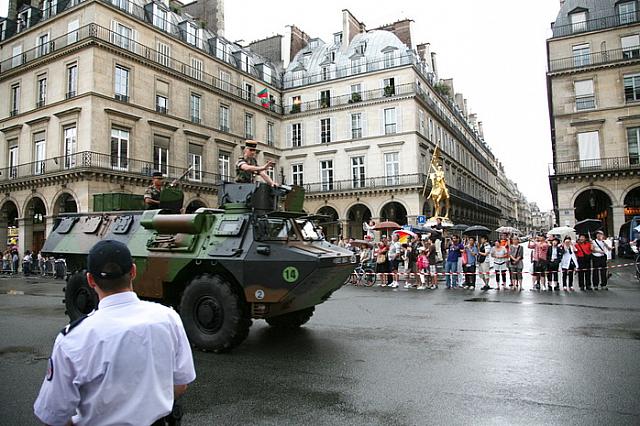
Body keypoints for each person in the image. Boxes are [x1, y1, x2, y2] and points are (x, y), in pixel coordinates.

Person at [33, 240, 196, 426]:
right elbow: (181, 384)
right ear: (133, 272)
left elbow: (53, 415)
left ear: (90, 280)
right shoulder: (168, 318)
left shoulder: (73, 339)